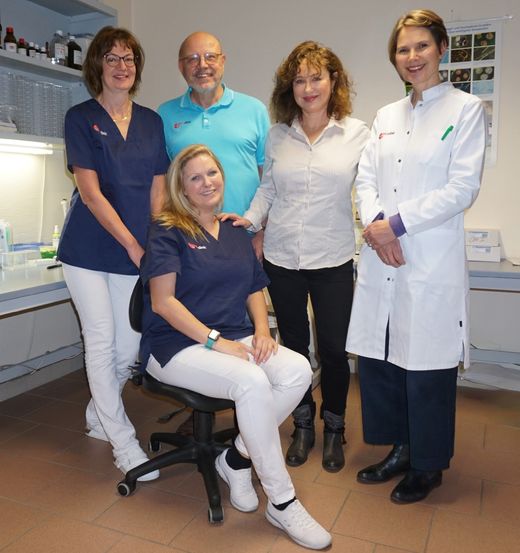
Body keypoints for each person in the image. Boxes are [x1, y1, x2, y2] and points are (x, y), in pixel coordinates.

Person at [140, 144, 331, 550]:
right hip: (175, 345)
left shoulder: (233, 230)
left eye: (212, 173)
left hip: (234, 335)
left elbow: (253, 287)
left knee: (298, 370)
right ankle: (282, 501)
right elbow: (163, 303)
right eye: (195, 177)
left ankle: (236, 458)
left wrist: (262, 330)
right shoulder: (167, 229)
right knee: (251, 381)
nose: (206, 183)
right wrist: (216, 342)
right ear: (182, 188)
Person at [346, 9, 486, 504]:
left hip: (428, 259)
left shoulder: (466, 110)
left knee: (425, 366)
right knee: (384, 359)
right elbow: (365, 178)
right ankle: (400, 450)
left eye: (422, 46)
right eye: (403, 49)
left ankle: (428, 466)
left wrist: (397, 225)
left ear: (441, 48)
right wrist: (377, 227)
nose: (412, 56)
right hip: (383, 255)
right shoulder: (386, 117)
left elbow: (462, 188)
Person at [224, 41, 369, 472]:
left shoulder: (357, 134)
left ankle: (335, 427)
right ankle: (302, 424)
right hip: (283, 257)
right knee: (294, 348)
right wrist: (249, 220)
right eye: (299, 80)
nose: (308, 88)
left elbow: (371, 189)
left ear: (333, 81)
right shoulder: (278, 135)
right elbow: (268, 189)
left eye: (316, 78)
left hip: (333, 258)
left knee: (335, 349)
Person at [57, 26, 170, 481]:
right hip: (87, 250)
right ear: (97, 66)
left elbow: (158, 192)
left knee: (129, 347)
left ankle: (97, 414)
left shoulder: (151, 122)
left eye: (129, 59)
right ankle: (123, 442)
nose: (122, 67)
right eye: (112, 58)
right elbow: (90, 194)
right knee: (102, 339)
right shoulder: (80, 118)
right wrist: (133, 244)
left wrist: (156, 242)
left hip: (137, 249)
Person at [158, 31, 270, 258]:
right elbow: (162, 184)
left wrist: (262, 231)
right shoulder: (164, 115)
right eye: (192, 59)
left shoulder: (254, 110)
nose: (202, 65)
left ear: (223, 61)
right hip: (189, 241)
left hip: (246, 236)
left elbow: (269, 179)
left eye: (210, 57)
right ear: (181, 66)